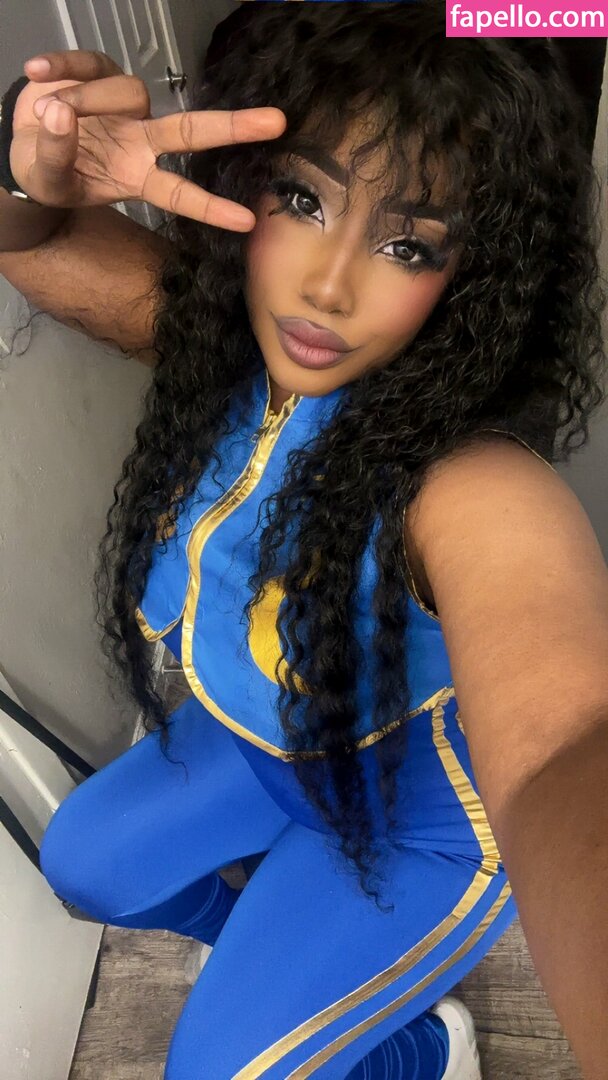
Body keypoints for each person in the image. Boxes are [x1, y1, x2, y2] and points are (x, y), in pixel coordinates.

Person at [1, 3, 607, 1078]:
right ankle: (317, 979)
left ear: (473, 277)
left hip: (418, 822)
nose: (328, 286)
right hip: (270, 744)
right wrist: (29, 167)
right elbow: (35, 247)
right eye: (302, 198)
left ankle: (414, 1049)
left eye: (407, 244)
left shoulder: (470, 487)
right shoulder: (224, 350)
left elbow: (565, 743)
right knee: (86, 863)